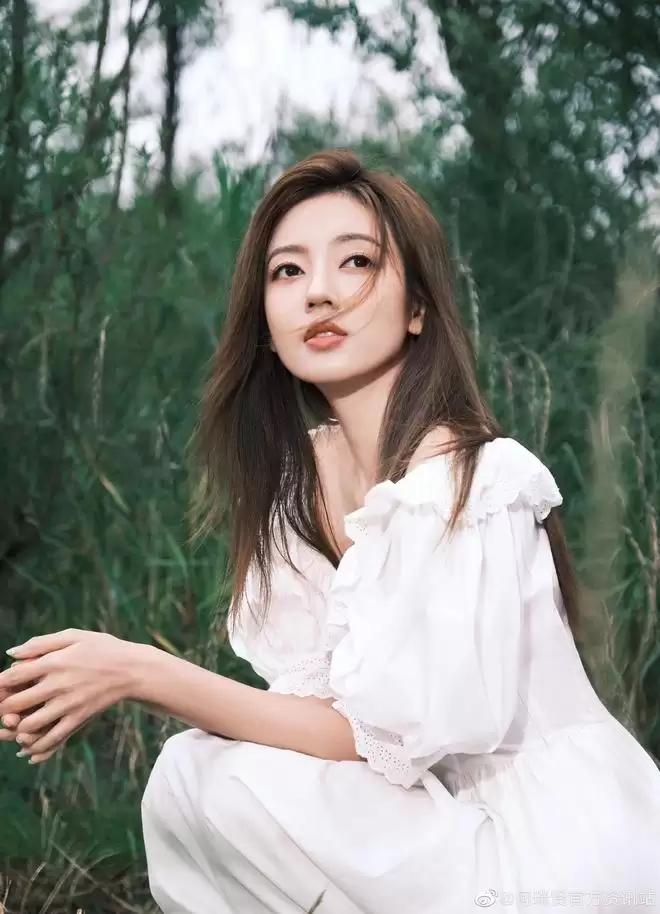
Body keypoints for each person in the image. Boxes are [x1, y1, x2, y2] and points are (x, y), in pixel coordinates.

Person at [1, 150, 659, 914]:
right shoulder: (299, 487)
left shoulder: (470, 480)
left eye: (357, 262)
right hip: (434, 827)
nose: (319, 292)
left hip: (545, 845)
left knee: (224, 777)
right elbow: (318, 727)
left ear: (417, 309)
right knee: (191, 774)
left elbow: (372, 739)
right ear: (265, 326)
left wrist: (139, 671)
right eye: (288, 271)